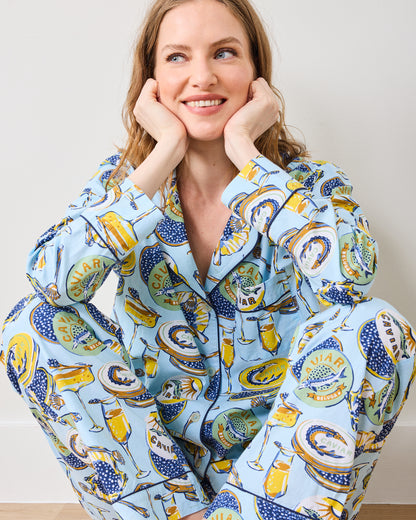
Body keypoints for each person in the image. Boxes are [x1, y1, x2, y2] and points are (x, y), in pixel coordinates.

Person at [1, 0, 415, 519]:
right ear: (151, 81)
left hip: (283, 475)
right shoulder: (125, 184)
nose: (202, 76)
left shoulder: (310, 184)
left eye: (224, 53)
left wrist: (246, 153)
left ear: (256, 75)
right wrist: (163, 153)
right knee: (33, 321)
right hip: (156, 477)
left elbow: (349, 283)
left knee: (375, 324)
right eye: (177, 57)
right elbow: (51, 283)